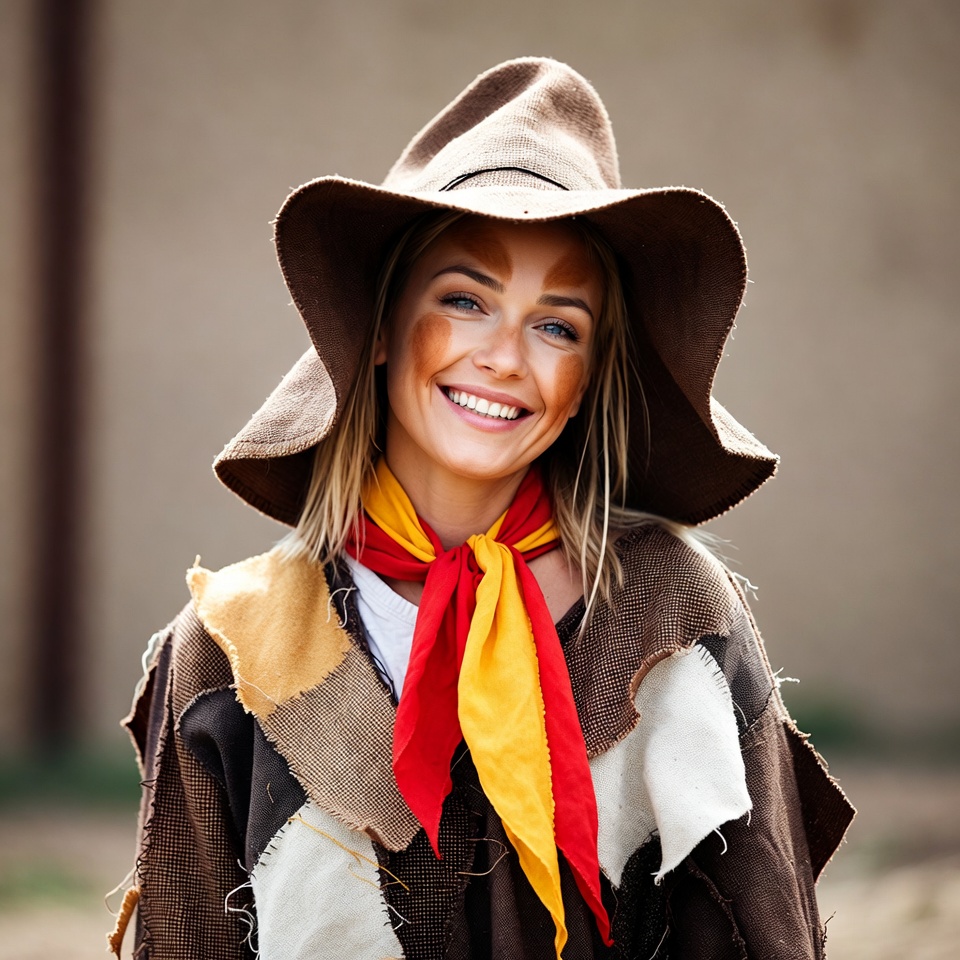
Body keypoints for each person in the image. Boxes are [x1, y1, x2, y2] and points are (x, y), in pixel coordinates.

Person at [110, 57, 854, 960]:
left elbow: (765, 932)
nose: (505, 357)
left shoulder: (673, 617)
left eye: (557, 326)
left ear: (586, 382)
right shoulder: (233, 645)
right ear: (380, 330)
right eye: (465, 300)